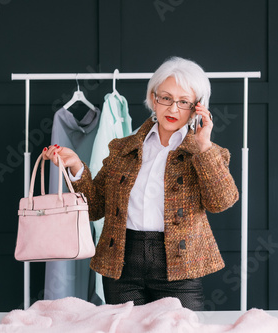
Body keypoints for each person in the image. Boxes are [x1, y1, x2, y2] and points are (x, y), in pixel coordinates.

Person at [43, 56, 239, 310]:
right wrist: (77, 168)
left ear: (197, 108)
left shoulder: (207, 152)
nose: (173, 109)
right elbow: (95, 208)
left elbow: (222, 201)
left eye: (184, 102)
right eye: (165, 98)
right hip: (122, 263)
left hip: (179, 267)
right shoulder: (123, 148)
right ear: (153, 97)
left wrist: (203, 147)